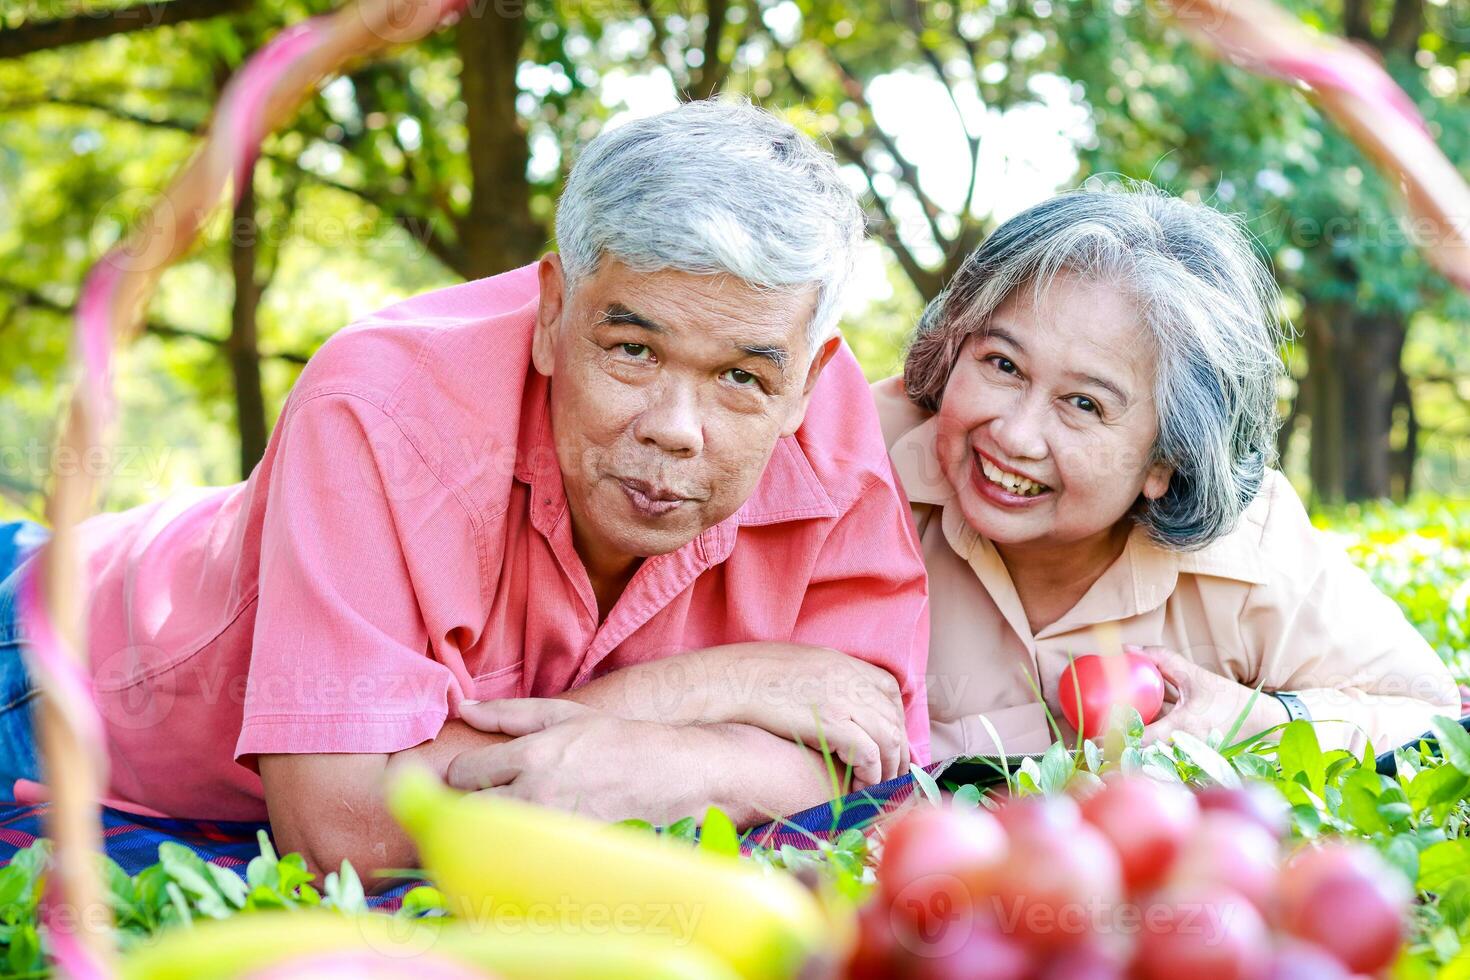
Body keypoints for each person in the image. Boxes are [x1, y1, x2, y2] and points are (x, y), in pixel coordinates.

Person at [0, 100, 932, 877]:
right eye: (633, 349)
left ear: (808, 380)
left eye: (742, 379)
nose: (675, 428)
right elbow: (342, 831)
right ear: (553, 312)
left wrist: (662, 760)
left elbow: (881, 770)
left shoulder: (830, 440)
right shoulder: (379, 406)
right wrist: (693, 706)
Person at [873, 184, 1459, 760]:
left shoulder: (1253, 544)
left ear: (1168, 459)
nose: (1014, 435)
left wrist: (1262, 719)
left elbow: (1429, 716)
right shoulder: (855, 457)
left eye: (1085, 404)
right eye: (1003, 364)